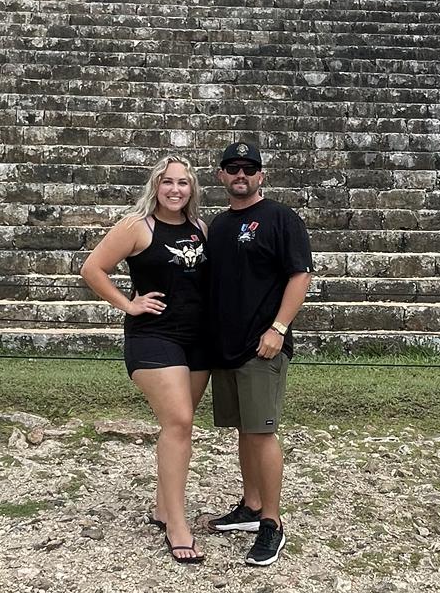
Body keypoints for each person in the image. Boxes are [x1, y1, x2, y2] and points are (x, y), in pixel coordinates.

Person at [80, 156, 211, 564]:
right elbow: (93, 268)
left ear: (192, 190)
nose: (175, 189)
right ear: (156, 185)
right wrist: (128, 304)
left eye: (183, 183)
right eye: (168, 182)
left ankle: (161, 507)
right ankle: (177, 524)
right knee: (179, 422)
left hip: (197, 340)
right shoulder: (136, 226)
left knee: (180, 427)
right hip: (154, 336)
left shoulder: (201, 229)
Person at [204, 141, 314, 568]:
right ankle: (251, 506)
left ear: (261, 176)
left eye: (249, 168)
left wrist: (278, 328)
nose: (240, 175)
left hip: (262, 345)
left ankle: (272, 521)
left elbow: (299, 275)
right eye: (232, 168)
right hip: (225, 346)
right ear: (221, 176)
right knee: (244, 430)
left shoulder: (280, 218)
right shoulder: (218, 225)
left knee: (263, 431)